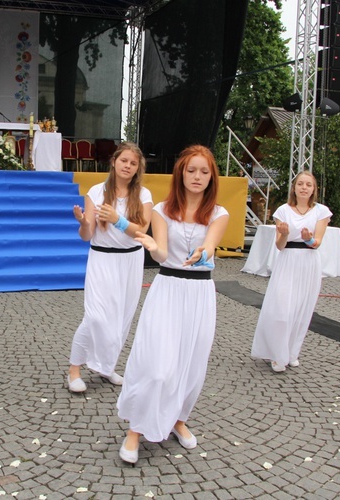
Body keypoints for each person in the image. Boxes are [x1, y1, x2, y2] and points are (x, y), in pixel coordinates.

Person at [116, 145, 229, 464]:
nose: (197, 177)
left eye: (204, 172)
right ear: (180, 173)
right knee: (157, 365)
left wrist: (204, 254)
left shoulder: (219, 213)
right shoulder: (162, 210)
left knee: (191, 365)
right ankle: (136, 430)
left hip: (200, 294)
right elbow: (163, 254)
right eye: (191, 170)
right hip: (167, 289)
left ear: (212, 177)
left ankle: (178, 418)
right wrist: (152, 245)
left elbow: (210, 244)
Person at [68, 142, 153, 392]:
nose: (127, 166)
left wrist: (118, 220)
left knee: (122, 317)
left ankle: (107, 367)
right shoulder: (96, 192)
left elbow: (142, 231)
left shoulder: (144, 195)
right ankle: (74, 370)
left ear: (138, 168)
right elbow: (87, 235)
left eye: (133, 163)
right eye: (124, 160)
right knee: (95, 317)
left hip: (130, 260)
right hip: (102, 259)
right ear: (114, 162)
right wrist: (84, 222)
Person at [251, 171, 332, 372]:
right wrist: (285, 234)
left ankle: (291, 352)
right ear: (294, 188)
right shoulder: (283, 211)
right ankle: (277, 353)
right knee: (282, 309)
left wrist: (308, 239)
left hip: (309, 262)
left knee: (301, 310)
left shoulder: (321, 212)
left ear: (314, 189)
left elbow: (317, 242)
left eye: (309, 185)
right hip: (287, 260)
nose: (304, 188)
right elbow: (279, 245)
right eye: (300, 184)